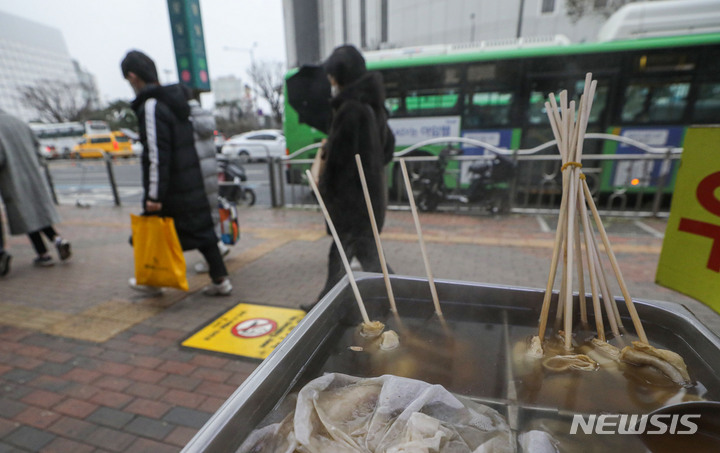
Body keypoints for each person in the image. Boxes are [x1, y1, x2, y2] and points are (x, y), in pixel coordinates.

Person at [121, 50, 232, 296]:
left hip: (171, 185)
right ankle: (221, 280)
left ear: (133, 77)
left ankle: (152, 279)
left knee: (153, 230)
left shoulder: (151, 105)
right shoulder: (177, 100)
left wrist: (154, 195)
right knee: (203, 232)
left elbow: (157, 154)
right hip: (191, 180)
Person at [302, 45, 396, 311]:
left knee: (354, 256)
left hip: (352, 203)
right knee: (356, 255)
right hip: (369, 198)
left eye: (332, 74)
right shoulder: (374, 105)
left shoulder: (350, 109)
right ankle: (326, 303)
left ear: (340, 75)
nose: (329, 81)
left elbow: (340, 165)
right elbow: (387, 149)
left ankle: (400, 298)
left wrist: (323, 185)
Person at [0, 108, 71, 269]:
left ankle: (43, 255)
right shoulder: (18, 121)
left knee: (26, 217)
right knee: (38, 213)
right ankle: (58, 240)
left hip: (12, 178)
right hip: (32, 174)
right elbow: (37, 146)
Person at [186, 96, 230, 274]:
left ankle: (215, 251)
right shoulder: (204, 117)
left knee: (202, 219)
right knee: (212, 214)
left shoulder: (187, 119)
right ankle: (218, 245)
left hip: (197, 175)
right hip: (211, 173)